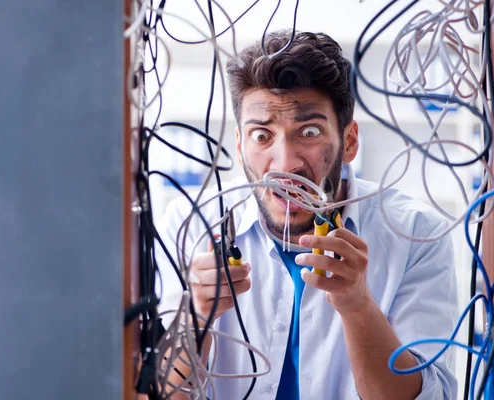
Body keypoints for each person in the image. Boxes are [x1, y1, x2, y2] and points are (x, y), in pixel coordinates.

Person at [155, 30, 458, 400]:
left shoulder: (415, 235)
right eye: (262, 136)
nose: (285, 165)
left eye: (309, 132)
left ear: (348, 142)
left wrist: (358, 306)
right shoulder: (188, 227)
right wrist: (196, 317)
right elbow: (157, 392)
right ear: (239, 145)